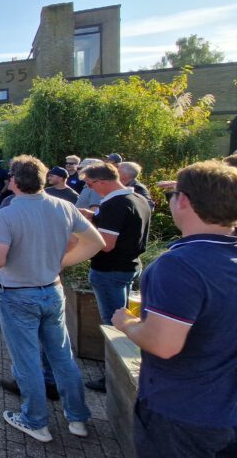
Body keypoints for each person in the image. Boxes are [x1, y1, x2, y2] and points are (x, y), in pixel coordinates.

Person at [112, 161, 237, 458]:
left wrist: (125, 323)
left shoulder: (178, 265)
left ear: (183, 202)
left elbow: (163, 345)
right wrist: (220, 191)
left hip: (182, 419)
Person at [0, 155, 104, 443]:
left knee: (26, 360)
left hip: (18, 294)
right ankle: (77, 418)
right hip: (52, 289)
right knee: (62, 356)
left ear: (14, 181)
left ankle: (35, 421)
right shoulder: (64, 206)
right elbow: (95, 242)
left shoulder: (7, 214)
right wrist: (61, 262)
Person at [79, 163, 151, 392]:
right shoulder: (137, 198)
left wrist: (81, 234)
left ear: (101, 181)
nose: (90, 189)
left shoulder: (114, 204)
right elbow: (124, 228)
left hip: (109, 270)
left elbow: (106, 244)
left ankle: (113, 377)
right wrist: (93, 216)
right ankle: (118, 372)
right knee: (123, 318)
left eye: (90, 184)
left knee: (114, 325)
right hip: (129, 265)